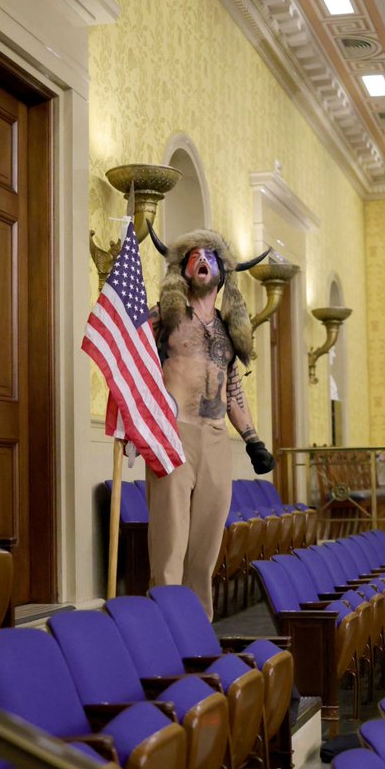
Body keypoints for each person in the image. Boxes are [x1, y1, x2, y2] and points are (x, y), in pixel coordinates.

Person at [144, 223, 275, 618]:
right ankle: (165, 627)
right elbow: (136, 366)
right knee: (169, 545)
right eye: (193, 255)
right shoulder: (163, 317)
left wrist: (253, 440)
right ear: (183, 268)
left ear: (223, 271)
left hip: (216, 441)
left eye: (210, 255)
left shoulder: (227, 328)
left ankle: (198, 626)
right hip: (173, 436)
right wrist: (137, 425)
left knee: (206, 545)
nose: (201, 259)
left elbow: (232, 386)